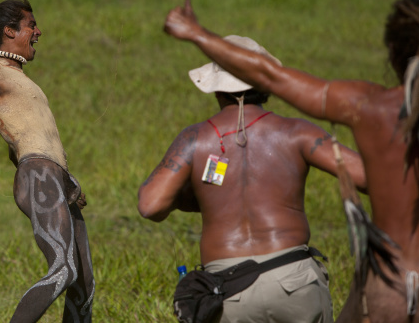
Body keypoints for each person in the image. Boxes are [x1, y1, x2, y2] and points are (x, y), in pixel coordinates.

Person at [163, 0, 419, 323]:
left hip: (391, 284)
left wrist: (197, 33)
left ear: (393, 53)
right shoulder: (303, 131)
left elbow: (270, 75)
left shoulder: (371, 105)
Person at [138, 35, 367, 323]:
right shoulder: (297, 132)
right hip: (294, 282)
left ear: (216, 88)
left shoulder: (195, 138)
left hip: (229, 291)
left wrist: (203, 200)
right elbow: (367, 178)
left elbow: (151, 205)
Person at [0, 0, 94, 323]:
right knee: (64, 268)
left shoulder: (21, 78)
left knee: (83, 283)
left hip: (56, 179)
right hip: (39, 175)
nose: (38, 31)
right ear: (9, 31)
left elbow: (25, 138)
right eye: (31, 25)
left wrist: (67, 180)